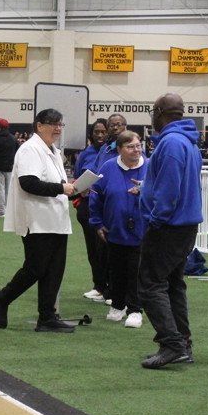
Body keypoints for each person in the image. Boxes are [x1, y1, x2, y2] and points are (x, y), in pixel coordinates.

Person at [0, 108, 78, 333]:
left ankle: (47, 317)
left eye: (60, 124)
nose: (58, 128)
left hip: (56, 219)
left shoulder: (53, 150)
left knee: (54, 270)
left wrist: (74, 190)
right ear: (39, 125)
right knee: (35, 269)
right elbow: (28, 183)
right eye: (53, 124)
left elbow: (55, 184)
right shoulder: (30, 149)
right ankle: (1, 298)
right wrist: (62, 188)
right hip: (37, 220)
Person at [138, 93, 204, 369]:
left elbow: (169, 190)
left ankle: (172, 344)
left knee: (150, 285)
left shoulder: (171, 143)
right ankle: (182, 343)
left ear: (158, 112)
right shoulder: (188, 142)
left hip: (169, 226)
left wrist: (156, 219)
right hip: (184, 226)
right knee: (174, 285)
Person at [88, 131, 148, 329]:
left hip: (142, 231)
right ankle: (117, 306)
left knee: (136, 271)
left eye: (138, 146)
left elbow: (160, 193)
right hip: (114, 230)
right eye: (130, 147)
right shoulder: (108, 167)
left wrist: (144, 190)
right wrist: (97, 223)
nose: (136, 150)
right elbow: (96, 196)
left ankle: (135, 310)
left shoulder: (149, 167)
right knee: (116, 270)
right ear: (120, 150)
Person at [73, 118, 110, 302]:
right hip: (87, 206)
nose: (100, 135)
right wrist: (81, 188)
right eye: (97, 132)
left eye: (103, 131)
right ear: (91, 134)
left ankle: (112, 288)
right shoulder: (85, 154)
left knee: (107, 249)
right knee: (93, 249)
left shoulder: (113, 151)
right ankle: (99, 286)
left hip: (107, 207)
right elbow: (76, 179)